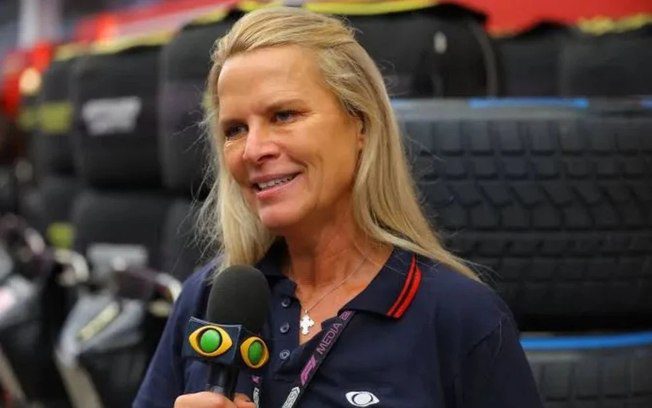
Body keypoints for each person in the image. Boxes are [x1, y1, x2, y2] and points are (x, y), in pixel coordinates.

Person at [134, 6, 543, 408]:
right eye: (235, 129)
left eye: (284, 115)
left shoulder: (461, 317)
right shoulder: (206, 299)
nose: (253, 150)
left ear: (360, 124)